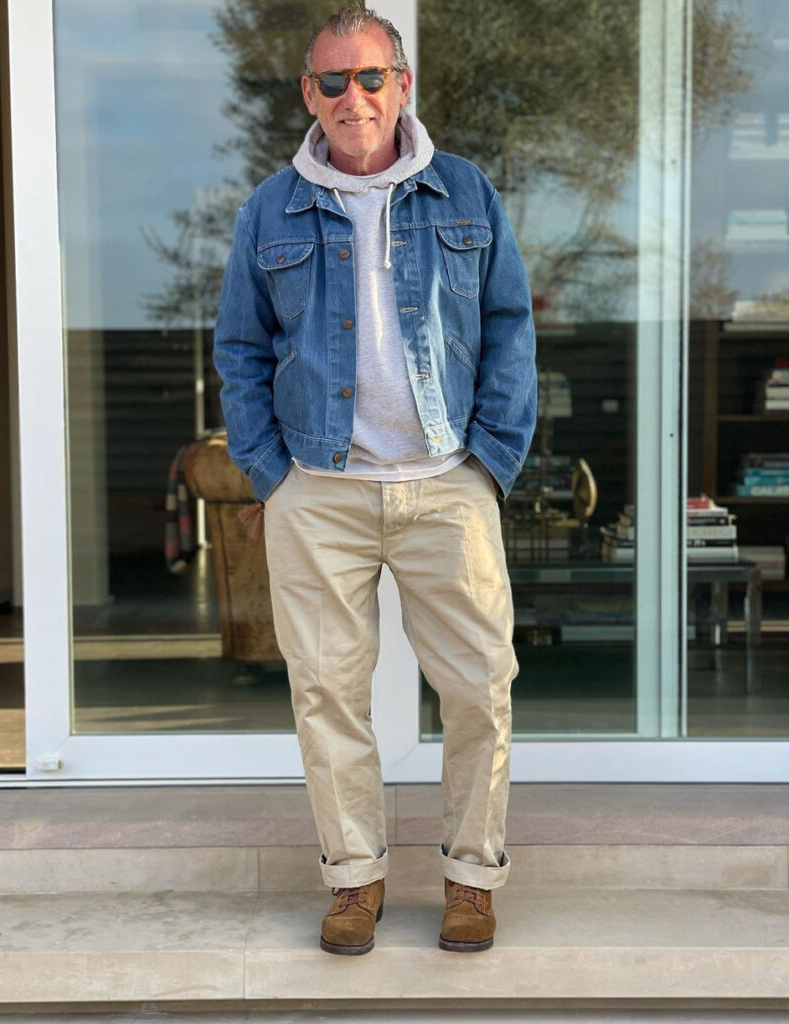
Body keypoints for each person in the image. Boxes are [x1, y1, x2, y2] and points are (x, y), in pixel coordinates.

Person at [213, 5, 537, 955]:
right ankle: (353, 879)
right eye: (332, 81)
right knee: (327, 692)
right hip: (319, 489)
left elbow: (510, 327)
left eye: (369, 77)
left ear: (401, 84)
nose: (351, 97)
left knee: (480, 686)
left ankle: (472, 878)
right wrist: (271, 474)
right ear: (308, 94)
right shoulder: (269, 208)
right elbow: (239, 349)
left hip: (448, 481)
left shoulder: (466, 191)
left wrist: (489, 462)